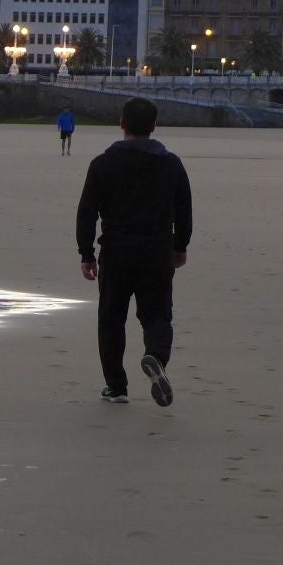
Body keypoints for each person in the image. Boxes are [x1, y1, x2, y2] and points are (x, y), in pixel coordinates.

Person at [75, 98, 191, 407]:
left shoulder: (103, 163)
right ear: (154, 127)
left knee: (112, 319)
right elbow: (184, 209)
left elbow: (87, 212)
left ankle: (116, 386)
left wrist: (86, 253)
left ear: (122, 123)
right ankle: (155, 356)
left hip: (116, 250)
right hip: (157, 250)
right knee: (157, 315)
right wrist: (180, 246)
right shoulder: (171, 163)